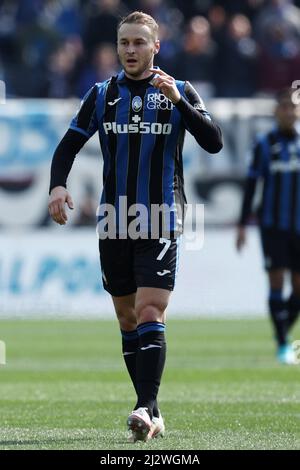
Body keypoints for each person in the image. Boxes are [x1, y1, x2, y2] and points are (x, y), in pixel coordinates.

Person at [48, 11, 223, 442]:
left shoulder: (178, 91)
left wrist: (181, 103)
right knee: (127, 318)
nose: (130, 50)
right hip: (114, 218)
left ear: (155, 47)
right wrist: (56, 187)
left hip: (161, 216)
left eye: (139, 42)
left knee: (150, 309)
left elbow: (214, 141)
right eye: (125, 42)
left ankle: (144, 405)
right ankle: (153, 409)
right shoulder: (103, 94)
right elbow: (69, 144)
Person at [236, 88, 300, 365]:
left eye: (293, 107)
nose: (289, 112)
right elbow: (252, 185)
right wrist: (242, 223)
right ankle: (284, 343)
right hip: (272, 225)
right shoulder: (264, 144)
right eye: (284, 107)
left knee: (299, 287)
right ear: (276, 112)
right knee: (276, 281)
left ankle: (283, 332)